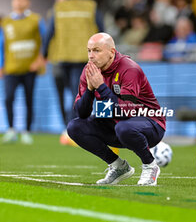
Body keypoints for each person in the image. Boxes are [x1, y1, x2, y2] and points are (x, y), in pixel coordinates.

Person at [67, 33, 166, 186]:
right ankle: (119, 167)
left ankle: (150, 165)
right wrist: (90, 90)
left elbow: (126, 110)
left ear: (111, 52)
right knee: (75, 127)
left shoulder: (129, 69)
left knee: (124, 127)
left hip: (150, 124)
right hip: (116, 123)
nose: (91, 56)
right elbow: (81, 113)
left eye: (96, 50)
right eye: (89, 51)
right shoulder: (90, 70)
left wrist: (101, 86)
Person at [42, 0, 104, 145]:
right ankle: (73, 128)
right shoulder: (91, 6)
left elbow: (50, 33)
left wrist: (43, 54)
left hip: (62, 58)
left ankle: (71, 128)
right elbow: (102, 30)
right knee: (79, 93)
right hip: (84, 57)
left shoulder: (59, 8)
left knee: (71, 94)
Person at [0, 0, 46, 144]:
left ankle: (26, 131)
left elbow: (45, 41)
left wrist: (40, 60)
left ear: (27, 2)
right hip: (11, 68)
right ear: (12, 2)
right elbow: (0, 45)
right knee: (8, 98)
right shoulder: (5, 22)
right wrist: (0, 65)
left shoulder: (36, 20)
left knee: (28, 99)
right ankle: (11, 130)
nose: (18, 2)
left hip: (30, 67)